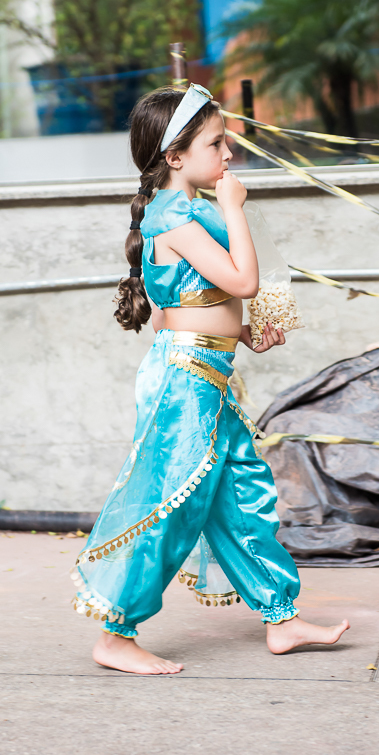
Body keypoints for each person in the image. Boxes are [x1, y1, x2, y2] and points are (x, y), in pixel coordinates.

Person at [71, 83, 349, 674]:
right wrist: (234, 207)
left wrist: (238, 333)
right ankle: (115, 634)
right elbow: (244, 282)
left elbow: (195, 299)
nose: (228, 155)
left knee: (242, 494)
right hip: (184, 382)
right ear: (175, 157)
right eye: (216, 144)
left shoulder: (186, 211)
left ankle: (282, 617)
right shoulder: (178, 214)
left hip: (205, 369)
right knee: (169, 505)